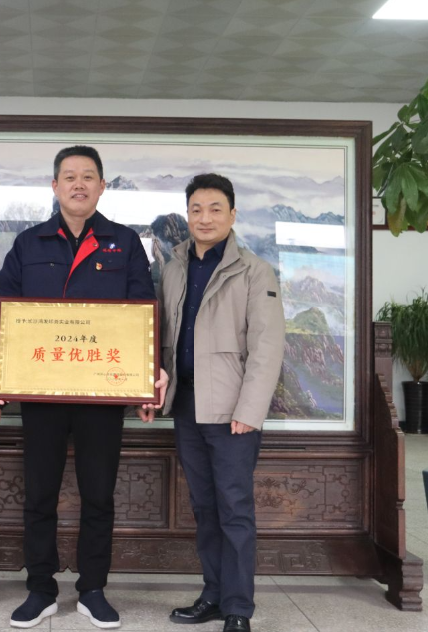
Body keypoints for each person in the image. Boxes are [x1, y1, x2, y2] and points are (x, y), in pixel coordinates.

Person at [0, 145, 167, 629]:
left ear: (102, 186)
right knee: (39, 494)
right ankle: (40, 588)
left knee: (98, 495)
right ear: (55, 186)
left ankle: (93, 589)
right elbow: (0, 313)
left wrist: (150, 376)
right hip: (41, 392)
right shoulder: (29, 243)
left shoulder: (124, 243)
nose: (78, 184)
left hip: (101, 396)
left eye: (88, 176)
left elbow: (143, 314)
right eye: (69, 176)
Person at [156, 173, 285, 632]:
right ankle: (212, 595)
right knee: (204, 508)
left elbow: (267, 348)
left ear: (232, 215)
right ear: (187, 215)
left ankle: (238, 608)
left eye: (215, 209)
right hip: (188, 406)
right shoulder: (174, 267)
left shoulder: (254, 271)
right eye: (196, 209)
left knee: (234, 510)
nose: (205, 218)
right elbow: (163, 337)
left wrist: (249, 412)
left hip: (232, 413)